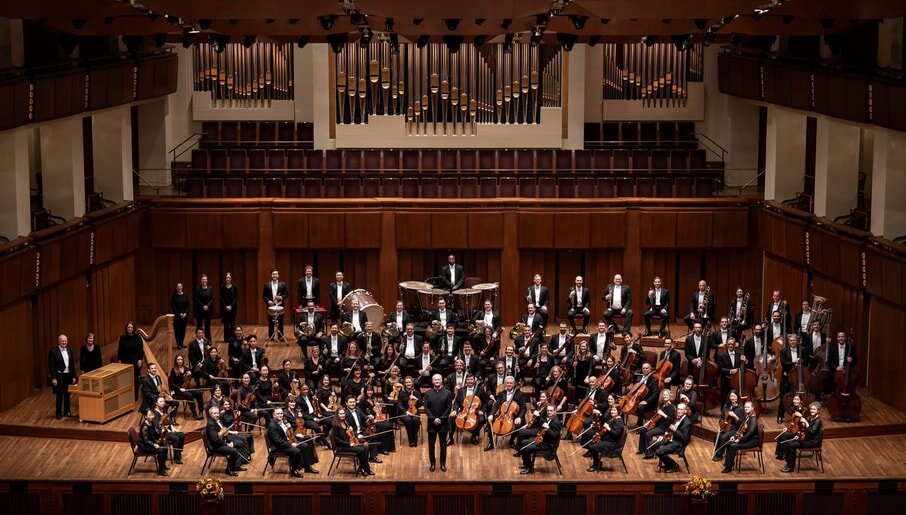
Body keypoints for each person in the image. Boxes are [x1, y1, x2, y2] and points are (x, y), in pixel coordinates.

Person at [516, 404, 561, 474]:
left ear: (555, 411)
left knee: (526, 448)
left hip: (547, 445)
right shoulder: (549, 418)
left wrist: (548, 428)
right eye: (548, 410)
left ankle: (529, 468)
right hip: (543, 440)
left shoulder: (556, 422)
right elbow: (542, 422)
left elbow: (554, 437)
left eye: (551, 411)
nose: (549, 412)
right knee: (523, 442)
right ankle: (526, 465)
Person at [779, 401, 823, 473]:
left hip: (812, 442)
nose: (812, 410)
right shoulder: (810, 418)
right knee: (788, 442)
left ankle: (791, 467)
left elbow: (812, 432)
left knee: (791, 445)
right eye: (811, 409)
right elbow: (804, 429)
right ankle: (788, 464)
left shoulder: (818, 420)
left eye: (814, 409)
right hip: (806, 439)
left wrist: (806, 423)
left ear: (818, 411)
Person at [484, 376, 525, 451]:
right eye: (507, 383)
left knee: (518, 425)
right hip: (502, 415)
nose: (509, 384)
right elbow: (496, 405)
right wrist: (491, 414)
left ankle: (511, 441)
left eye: (511, 383)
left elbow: (523, 408)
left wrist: (520, 417)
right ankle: (491, 443)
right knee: (490, 421)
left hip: (515, 415)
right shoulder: (501, 393)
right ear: (505, 384)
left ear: (514, 384)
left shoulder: (520, 394)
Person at [331, 406, 374, 476]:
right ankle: (366, 468)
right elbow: (337, 440)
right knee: (361, 450)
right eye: (340, 414)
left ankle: (362, 467)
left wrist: (350, 430)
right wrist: (349, 444)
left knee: (365, 447)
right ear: (337, 415)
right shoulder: (335, 426)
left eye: (343, 413)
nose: (342, 415)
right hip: (342, 447)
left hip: (348, 443)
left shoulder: (345, 422)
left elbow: (347, 435)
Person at [424, 373, 453, 472]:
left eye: (439, 380)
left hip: (443, 423)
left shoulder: (448, 393)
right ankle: (432, 464)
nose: (437, 381)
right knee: (431, 446)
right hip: (432, 423)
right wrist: (433, 419)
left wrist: (441, 419)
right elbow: (426, 408)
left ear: (442, 381)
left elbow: (449, 408)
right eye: (435, 380)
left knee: (443, 445)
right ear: (432, 381)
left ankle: (442, 464)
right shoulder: (428, 393)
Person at [721, 400, 759, 473]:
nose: (746, 408)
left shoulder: (754, 419)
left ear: (752, 408)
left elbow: (750, 433)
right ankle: (728, 465)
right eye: (745, 407)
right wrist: (734, 436)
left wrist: (740, 440)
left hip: (752, 441)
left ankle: (729, 467)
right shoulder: (747, 417)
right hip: (747, 439)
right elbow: (740, 429)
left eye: (748, 407)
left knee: (733, 446)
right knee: (729, 443)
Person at [206, 406, 245, 476]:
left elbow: (225, 432)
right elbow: (215, 440)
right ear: (210, 414)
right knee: (234, 451)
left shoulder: (218, 421)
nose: (217, 415)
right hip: (216, 446)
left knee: (241, 444)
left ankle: (235, 466)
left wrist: (229, 441)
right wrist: (227, 444)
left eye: (217, 413)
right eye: (214, 413)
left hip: (221, 442)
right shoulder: (210, 424)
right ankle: (229, 470)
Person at [653, 402, 691, 473]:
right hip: (671, 439)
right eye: (678, 409)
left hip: (678, 444)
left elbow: (685, 439)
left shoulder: (687, 423)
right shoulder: (678, 418)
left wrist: (675, 430)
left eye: (681, 409)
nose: (679, 411)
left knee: (659, 451)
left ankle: (674, 465)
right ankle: (668, 463)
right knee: (652, 444)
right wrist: (664, 435)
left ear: (685, 411)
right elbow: (671, 428)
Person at [268, 408, 306, 478]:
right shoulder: (272, 426)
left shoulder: (282, 422)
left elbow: (287, 434)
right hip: (279, 447)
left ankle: (306, 466)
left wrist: (291, 431)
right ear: (274, 415)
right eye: (278, 414)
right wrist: (291, 444)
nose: (280, 415)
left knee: (304, 445)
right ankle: (294, 470)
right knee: (296, 451)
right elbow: (278, 441)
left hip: (286, 442)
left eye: (281, 413)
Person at [450, 373, 487, 444]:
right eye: (468, 379)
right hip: (463, 411)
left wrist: (482, 411)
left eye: (471, 379)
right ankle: (451, 438)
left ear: (474, 380)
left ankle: (474, 435)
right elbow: (457, 402)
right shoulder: (461, 390)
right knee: (451, 417)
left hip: (475, 411)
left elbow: (485, 402)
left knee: (481, 419)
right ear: (466, 380)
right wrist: (455, 410)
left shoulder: (480, 390)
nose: (470, 381)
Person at [638, 390, 675, 459]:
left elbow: (671, 420)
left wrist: (663, 414)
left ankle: (649, 454)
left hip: (663, 428)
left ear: (670, 397)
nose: (665, 396)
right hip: (657, 425)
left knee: (648, 434)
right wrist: (649, 422)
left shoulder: (671, 408)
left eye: (666, 395)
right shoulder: (662, 406)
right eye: (663, 395)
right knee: (643, 430)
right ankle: (642, 449)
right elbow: (655, 417)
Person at [587, 405, 625, 472]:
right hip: (609, 440)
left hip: (613, 443)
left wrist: (608, 428)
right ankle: (597, 463)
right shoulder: (613, 419)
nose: (612, 412)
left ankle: (596, 465)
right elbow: (604, 427)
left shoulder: (619, 422)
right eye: (612, 410)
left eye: (614, 410)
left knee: (592, 447)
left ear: (618, 412)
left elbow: (616, 434)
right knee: (591, 444)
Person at [49, 334, 77, 419]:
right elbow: (51, 366)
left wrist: (73, 376)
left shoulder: (69, 350)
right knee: (59, 395)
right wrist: (53, 378)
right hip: (59, 376)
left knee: (67, 395)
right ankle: (58, 413)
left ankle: (67, 412)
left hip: (68, 376)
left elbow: (72, 365)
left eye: (65, 340)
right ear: (58, 341)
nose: (64, 342)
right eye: (62, 340)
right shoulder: (53, 351)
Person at [169, 355, 204, 420]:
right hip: (178, 390)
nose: (180, 361)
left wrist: (190, 374)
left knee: (199, 393)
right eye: (178, 360)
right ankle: (194, 414)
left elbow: (188, 379)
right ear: (176, 361)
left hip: (186, 388)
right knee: (189, 395)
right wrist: (179, 388)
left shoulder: (185, 368)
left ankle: (201, 411)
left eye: (181, 359)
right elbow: (172, 383)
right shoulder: (173, 370)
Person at [152, 396, 185, 464]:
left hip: (168, 430)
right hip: (161, 434)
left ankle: (178, 450)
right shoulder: (155, 413)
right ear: (156, 403)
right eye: (160, 401)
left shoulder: (163, 409)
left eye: (163, 401)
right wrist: (167, 430)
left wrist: (173, 428)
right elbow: (157, 426)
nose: (163, 403)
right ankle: (177, 458)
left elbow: (168, 419)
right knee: (176, 438)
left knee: (181, 435)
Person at [713, 390, 744, 462]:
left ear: (737, 397)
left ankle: (719, 454)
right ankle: (717, 451)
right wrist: (721, 422)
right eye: (731, 396)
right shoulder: (726, 406)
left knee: (724, 437)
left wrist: (735, 417)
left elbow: (742, 423)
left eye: (734, 396)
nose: (732, 398)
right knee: (717, 435)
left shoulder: (740, 409)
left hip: (735, 429)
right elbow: (722, 416)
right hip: (725, 426)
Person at [138, 409, 169, 476]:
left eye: (152, 415)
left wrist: (162, 430)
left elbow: (156, 433)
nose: (152, 416)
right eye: (150, 415)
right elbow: (145, 440)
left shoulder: (152, 423)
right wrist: (154, 444)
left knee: (165, 446)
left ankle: (163, 465)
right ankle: (161, 470)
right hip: (144, 446)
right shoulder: (144, 427)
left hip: (151, 443)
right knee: (160, 451)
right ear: (145, 416)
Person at [117, 322, 144, 398]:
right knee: (125, 379)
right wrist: (119, 360)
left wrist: (140, 359)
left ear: (133, 328)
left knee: (135, 378)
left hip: (135, 361)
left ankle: (135, 395)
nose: (130, 329)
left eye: (131, 328)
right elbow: (120, 349)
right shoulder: (122, 337)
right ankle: (127, 395)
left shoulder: (137, 337)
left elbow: (140, 349)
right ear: (126, 328)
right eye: (128, 327)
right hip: (125, 361)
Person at [262, 269, 289, 342]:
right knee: (270, 321)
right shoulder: (267, 284)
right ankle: (271, 336)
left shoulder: (283, 284)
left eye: (276, 274)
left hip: (280, 305)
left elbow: (286, 294)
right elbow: (264, 295)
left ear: (278, 275)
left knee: (280, 321)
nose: (274, 275)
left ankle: (281, 337)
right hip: (270, 306)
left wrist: (280, 297)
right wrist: (268, 301)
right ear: (271, 275)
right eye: (273, 274)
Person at [397, 376, 422, 446]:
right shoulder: (401, 393)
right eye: (407, 382)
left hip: (415, 412)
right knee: (408, 420)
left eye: (410, 382)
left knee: (415, 420)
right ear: (404, 384)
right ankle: (411, 440)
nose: (408, 384)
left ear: (412, 383)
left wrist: (416, 399)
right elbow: (399, 405)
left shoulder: (416, 392)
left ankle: (415, 438)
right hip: (404, 412)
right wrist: (405, 411)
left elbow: (420, 405)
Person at [194, 274, 214, 341]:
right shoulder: (198, 289)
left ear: (207, 280)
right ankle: (199, 339)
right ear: (201, 280)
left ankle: (208, 339)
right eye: (203, 279)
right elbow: (197, 299)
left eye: (205, 279)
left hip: (208, 309)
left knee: (207, 325)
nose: (204, 281)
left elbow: (212, 299)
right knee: (199, 325)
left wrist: (207, 306)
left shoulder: (210, 288)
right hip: (200, 309)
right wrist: (203, 306)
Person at [171, 283, 190, 349]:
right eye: (178, 286)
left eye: (180, 286)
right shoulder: (174, 296)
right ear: (176, 288)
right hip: (177, 316)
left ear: (182, 287)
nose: (179, 287)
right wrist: (179, 313)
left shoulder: (185, 295)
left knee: (183, 330)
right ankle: (178, 344)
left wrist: (185, 313)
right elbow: (173, 307)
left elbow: (188, 305)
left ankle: (182, 343)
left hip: (184, 316)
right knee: (177, 330)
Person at [220, 272, 239, 341]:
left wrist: (231, 306)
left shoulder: (235, 286)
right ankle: (226, 338)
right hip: (225, 308)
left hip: (233, 307)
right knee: (226, 323)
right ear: (225, 279)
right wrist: (226, 306)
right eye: (226, 278)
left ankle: (232, 337)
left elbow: (236, 297)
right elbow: (221, 297)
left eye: (229, 278)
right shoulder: (222, 286)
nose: (228, 279)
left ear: (231, 279)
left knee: (232, 323)